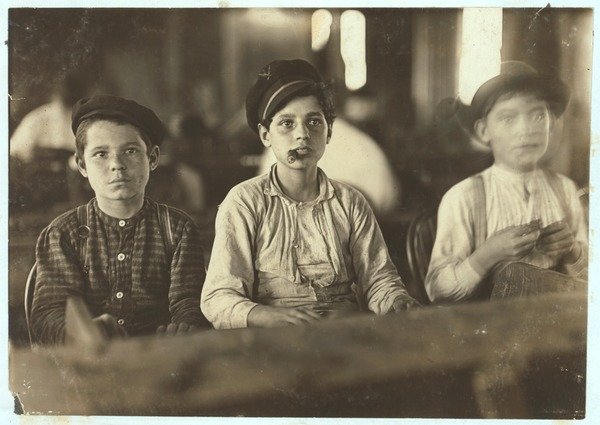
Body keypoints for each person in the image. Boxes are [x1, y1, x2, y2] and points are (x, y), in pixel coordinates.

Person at [201, 59, 418, 329]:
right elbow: (218, 297)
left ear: (328, 133)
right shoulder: (244, 202)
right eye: (286, 124)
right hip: (272, 341)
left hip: (341, 333)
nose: (302, 134)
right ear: (266, 135)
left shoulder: (350, 202)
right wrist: (270, 316)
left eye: (314, 122)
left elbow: (378, 281)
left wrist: (397, 301)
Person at [30, 95, 210, 345]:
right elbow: (49, 314)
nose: (117, 165)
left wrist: (184, 327)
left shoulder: (177, 229)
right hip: (90, 364)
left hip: (160, 359)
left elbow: (189, 302)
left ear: (153, 158)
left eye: (130, 151)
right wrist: (84, 332)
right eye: (101, 154)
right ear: (81, 165)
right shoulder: (63, 233)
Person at [425, 61, 588, 303]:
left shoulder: (565, 189)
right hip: (490, 329)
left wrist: (572, 251)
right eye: (508, 118)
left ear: (550, 123)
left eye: (537, 115)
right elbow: (437, 290)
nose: (526, 130)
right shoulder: (464, 196)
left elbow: (590, 281)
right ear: (483, 131)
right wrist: (485, 256)